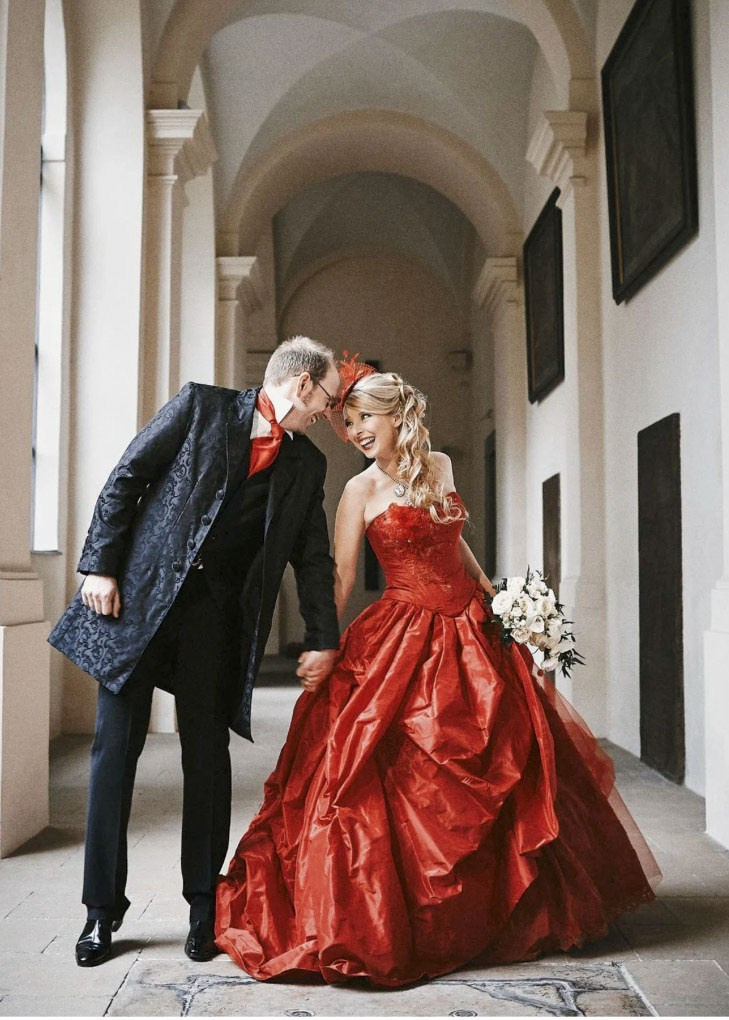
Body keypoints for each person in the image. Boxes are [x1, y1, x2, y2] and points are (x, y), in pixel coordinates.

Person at [214, 365, 661, 988]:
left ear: (399, 413)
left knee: (511, 758)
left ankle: (504, 914)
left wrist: (497, 599)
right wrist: (323, 643)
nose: (356, 432)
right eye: (348, 423)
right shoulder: (359, 492)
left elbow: (457, 543)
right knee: (382, 769)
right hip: (399, 633)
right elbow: (340, 577)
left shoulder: (442, 467)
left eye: (364, 418)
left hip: (471, 625)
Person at [49, 336, 341, 968]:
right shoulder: (201, 408)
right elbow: (128, 474)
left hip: (215, 624)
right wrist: (99, 565)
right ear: (299, 385)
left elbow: (313, 559)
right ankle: (101, 912)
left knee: (207, 762)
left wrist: (323, 637)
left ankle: (203, 908)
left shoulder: (306, 466)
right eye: (328, 397)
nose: (330, 411)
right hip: (139, 606)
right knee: (112, 754)